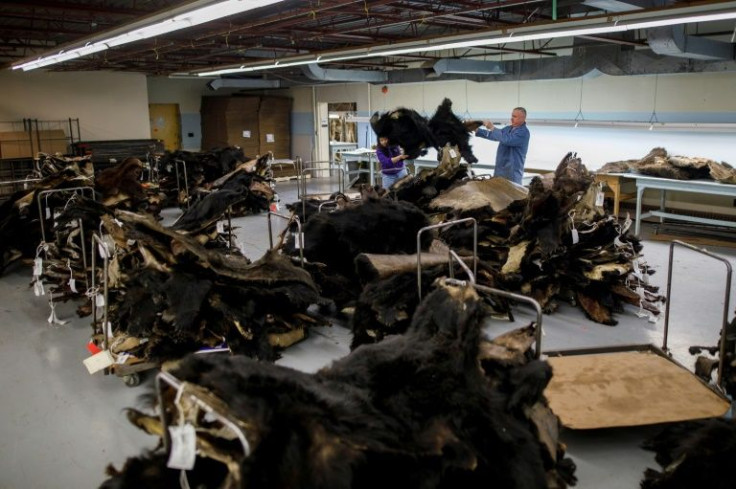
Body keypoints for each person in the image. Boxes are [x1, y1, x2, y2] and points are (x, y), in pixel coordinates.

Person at [474, 107, 530, 185]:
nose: (512, 119)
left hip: (512, 173)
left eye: (515, 117)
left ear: (523, 118)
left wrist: (492, 127)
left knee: (513, 195)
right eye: (512, 116)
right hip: (500, 170)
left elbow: (507, 140)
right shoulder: (508, 129)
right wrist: (477, 130)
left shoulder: (523, 133)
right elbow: (495, 135)